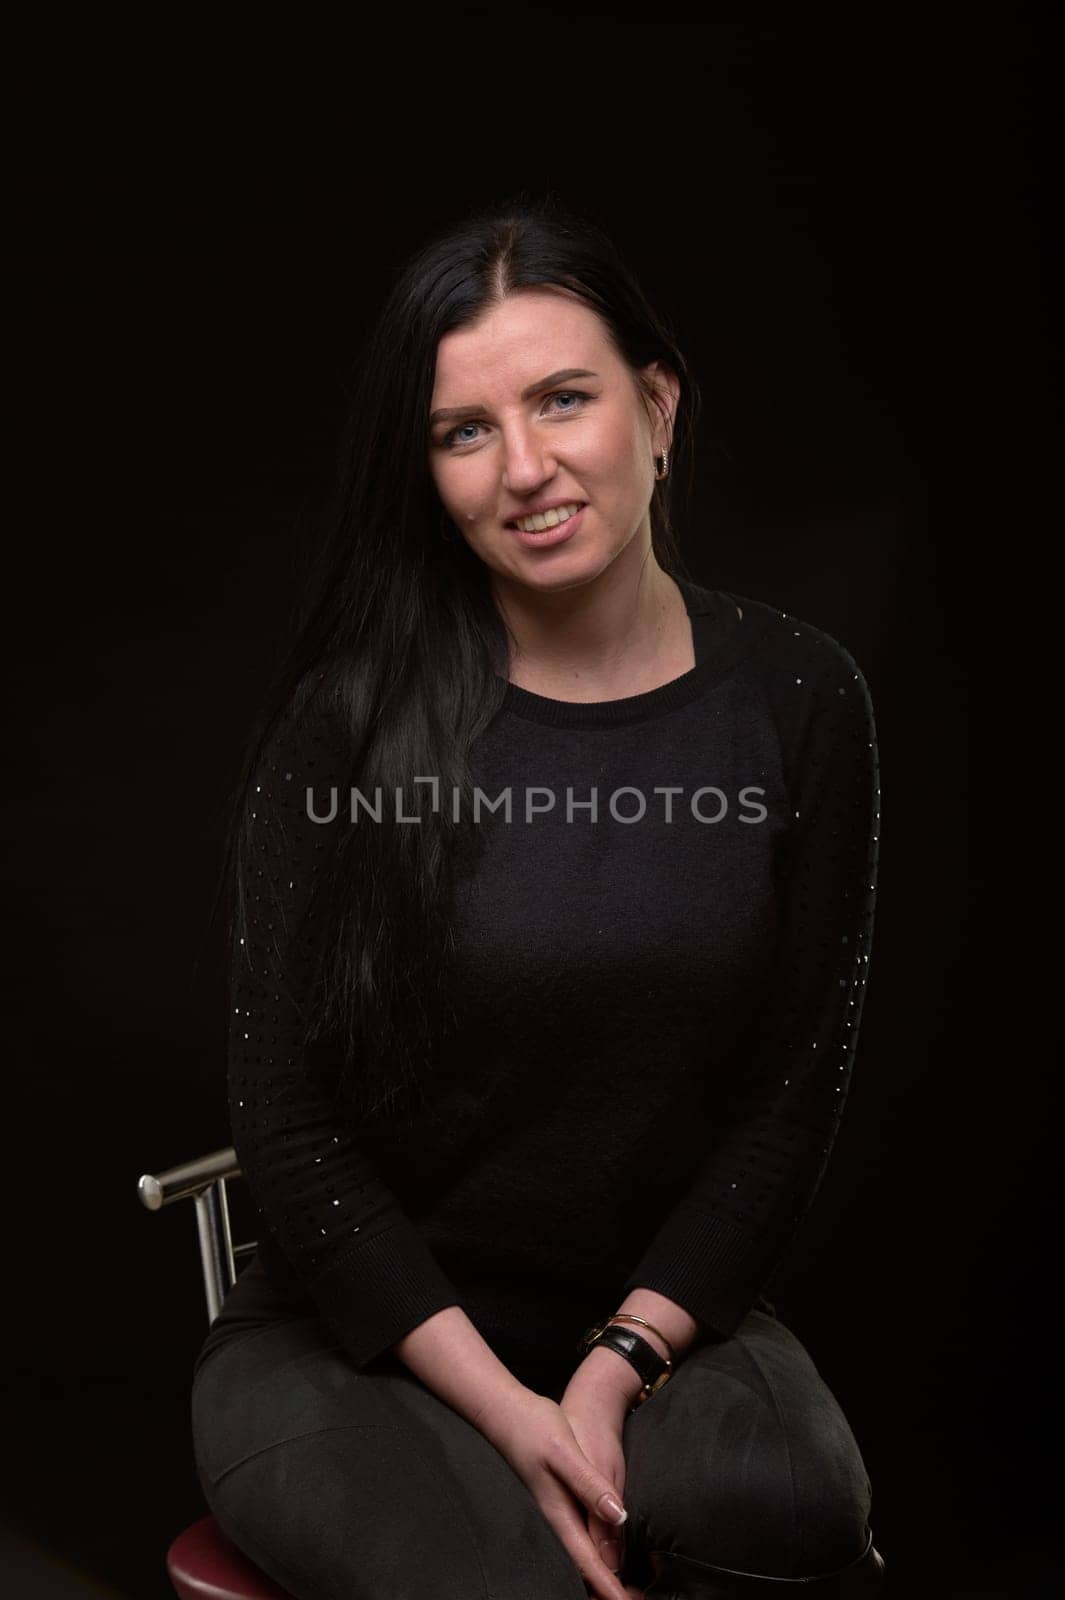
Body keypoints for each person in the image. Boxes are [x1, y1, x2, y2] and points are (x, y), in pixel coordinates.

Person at [190, 195, 885, 1599]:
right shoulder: (351, 725)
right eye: (463, 431)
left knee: (793, 1511)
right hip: (361, 1336)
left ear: (657, 404)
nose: (524, 466)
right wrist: (513, 1415)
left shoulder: (798, 700)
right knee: (519, 1579)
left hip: (652, 1329)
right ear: (428, 471)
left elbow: (788, 1097)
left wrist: (616, 1368)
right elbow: (287, 1120)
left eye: (561, 400)